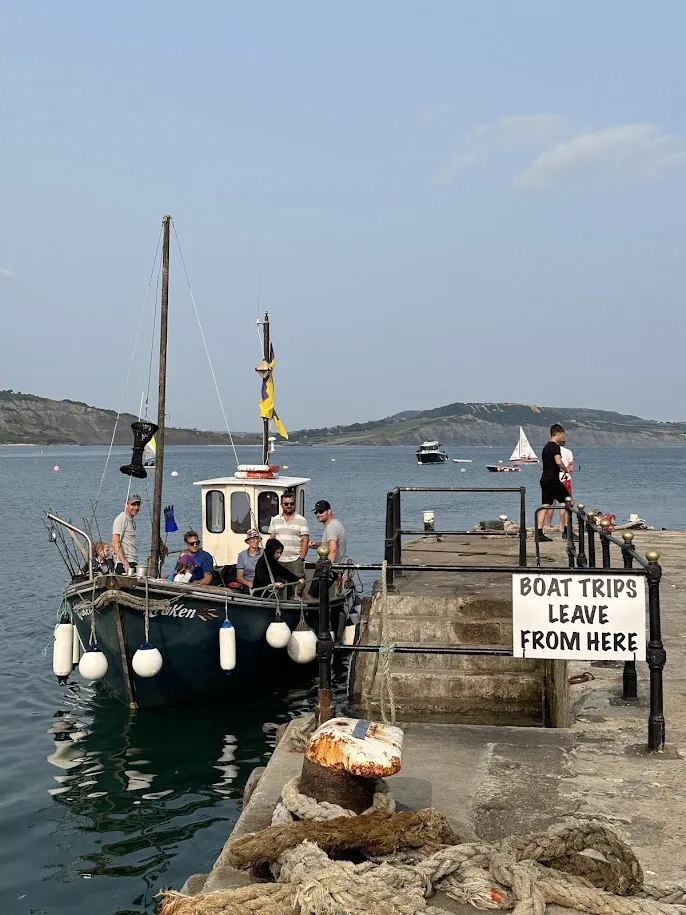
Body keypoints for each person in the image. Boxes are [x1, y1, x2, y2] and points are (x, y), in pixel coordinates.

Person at [308, 500, 348, 599]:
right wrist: (316, 544)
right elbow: (330, 544)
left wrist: (326, 570)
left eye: (321, 511)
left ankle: (311, 609)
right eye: (316, 512)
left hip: (328, 569)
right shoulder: (336, 524)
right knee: (319, 596)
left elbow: (333, 548)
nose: (318, 514)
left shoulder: (331, 527)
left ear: (329, 511)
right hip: (336, 569)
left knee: (312, 596)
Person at [538, 424, 570, 543]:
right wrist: (565, 468)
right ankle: (566, 531)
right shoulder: (555, 446)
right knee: (569, 502)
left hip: (544, 479)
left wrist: (558, 469)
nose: (562, 437)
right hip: (553, 480)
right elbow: (558, 461)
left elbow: (548, 465)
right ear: (558, 434)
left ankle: (539, 532)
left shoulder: (546, 447)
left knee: (545, 505)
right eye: (562, 435)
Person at [268, 491, 309, 577]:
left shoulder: (302, 520)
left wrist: (301, 558)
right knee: (278, 584)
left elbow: (305, 541)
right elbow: (272, 540)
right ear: (281, 505)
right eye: (286, 504)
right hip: (278, 560)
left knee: (298, 584)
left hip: (295, 561)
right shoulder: (275, 519)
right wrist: (271, 557)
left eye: (291, 504)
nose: (289, 506)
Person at [112, 494, 141, 573]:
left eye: (138, 505)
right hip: (123, 564)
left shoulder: (130, 520)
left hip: (132, 561)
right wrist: (125, 563)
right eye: (133, 505)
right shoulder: (122, 518)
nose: (136, 508)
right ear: (126, 505)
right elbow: (115, 543)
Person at [557, 436, 575, 536]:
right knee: (565, 503)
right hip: (565, 478)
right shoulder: (568, 452)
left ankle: (547, 524)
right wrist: (567, 468)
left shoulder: (552, 451)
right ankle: (562, 525)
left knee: (549, 503)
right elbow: (571, 468)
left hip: (553, 478)